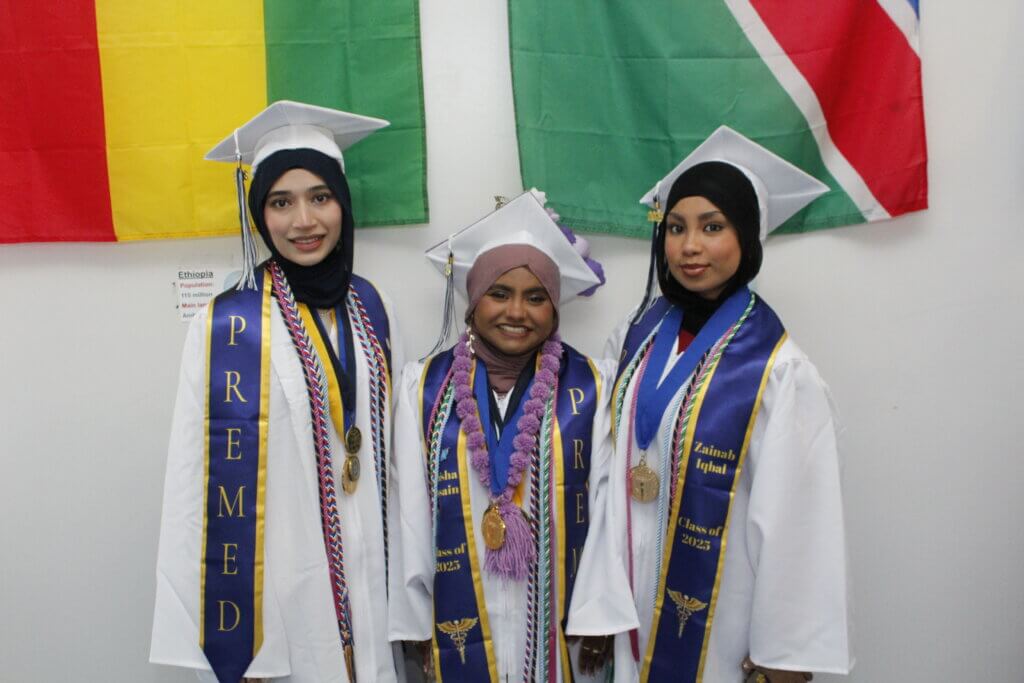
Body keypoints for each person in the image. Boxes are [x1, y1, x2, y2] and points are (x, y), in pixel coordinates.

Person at [567, 127, 853, 682]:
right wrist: (600, 606)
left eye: (712, 227)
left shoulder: (775, 369)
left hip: (724, 617)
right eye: (676, 228)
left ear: (747, 237)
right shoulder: (635, 334)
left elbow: (798, 518)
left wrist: (785, 655)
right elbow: (605, 476)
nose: (689, 247)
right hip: (629, 609)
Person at [150, 101, 404, 683]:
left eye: (320, 197)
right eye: (280, 202)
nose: (303, 221)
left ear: (343, 202)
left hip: (371, 584)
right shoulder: (227, 326)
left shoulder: (372, 306)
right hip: (280, 608)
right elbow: (197, 489)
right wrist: (243, 649)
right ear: (259, 214)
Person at [387, 191, 634, 682]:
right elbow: (407, 509)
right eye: (499, 293)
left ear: (555, 307)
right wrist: (414, 614)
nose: (517, 311)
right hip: (458, 618)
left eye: (536, 296)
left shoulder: (594, 386)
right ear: (473, 299)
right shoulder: (423, 388)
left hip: (562, 624)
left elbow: (608, 506)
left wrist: (599, 614)